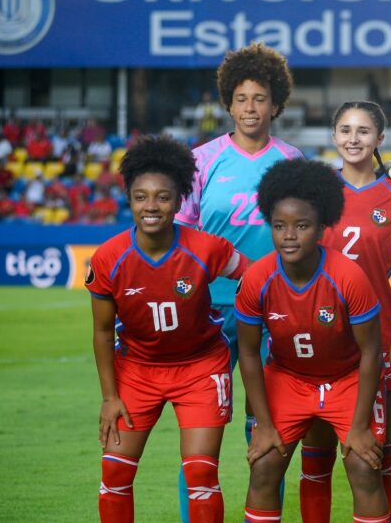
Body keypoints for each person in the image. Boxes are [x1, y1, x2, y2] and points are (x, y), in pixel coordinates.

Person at [88, 136, 248, 522]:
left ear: (179, 202)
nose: (151, 206)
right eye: (141, 197)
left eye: (163, 197)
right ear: (129, 200)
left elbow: (256, 276)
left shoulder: (207, 248)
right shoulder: (108, 258)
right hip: (137, 371)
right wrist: (110, 397)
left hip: (200, 369)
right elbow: (102, 332)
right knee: (114, 476)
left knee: (201, 476)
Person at [174, 42, 303, 521]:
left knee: (268, 431)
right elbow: (181, 238)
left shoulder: (291, 160)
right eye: (241, 98)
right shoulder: (201, 160)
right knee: (200, 436)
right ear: (228, 103)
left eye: (260, 98)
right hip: (210, 310)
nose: (250, 108)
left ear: (276, 104)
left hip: (274, 311)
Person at [235, 159, 388, 523]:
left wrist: (359, 426)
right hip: (289, 378)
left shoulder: (348, 276)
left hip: (347, 378)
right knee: (264, 464)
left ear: (321, 229)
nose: (289, 235)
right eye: (279, 226)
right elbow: (248, 352)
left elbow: (372, 351)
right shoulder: (257, 279)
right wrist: (263, 424)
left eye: (301, 226)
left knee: (364, 465)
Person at [307, 101, 391, 521]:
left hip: (377, 335)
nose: (353, 139)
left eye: (364, 131)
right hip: (319, 334)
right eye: (345, 130)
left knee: (376, 454)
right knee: (316, 458)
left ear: (379, 139)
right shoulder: (315, 190)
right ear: (334, 135)